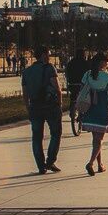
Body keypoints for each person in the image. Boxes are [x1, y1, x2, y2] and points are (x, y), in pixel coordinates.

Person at [22, 45, 63, 174]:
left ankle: (41, 166)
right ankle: (50, 161)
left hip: (35, 107)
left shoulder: (26, 72)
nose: (49, 56)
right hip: (50, 106)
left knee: (36, 137)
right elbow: (57, 88)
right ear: (44, 55)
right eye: (48, 54)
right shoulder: (49, 68)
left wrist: (28, 108)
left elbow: (25, 94)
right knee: (56, 134)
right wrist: (60, 103)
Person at [79, 52, 108, 175]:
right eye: (107, 61)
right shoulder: (107, 77)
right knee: (99, 139)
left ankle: (99, 164)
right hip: (101, 110)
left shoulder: (87, 75)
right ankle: (90, 163)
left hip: (89, 109)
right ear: (102, 62)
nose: (107, 64)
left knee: (95, 139)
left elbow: (81, 92)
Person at [65, 48, 89, 130]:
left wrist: (68, 80)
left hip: (72, 84)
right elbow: (89, 73)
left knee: (73, 97)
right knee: (84, 98)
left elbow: (67, 73)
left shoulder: (70, 63)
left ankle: (72, 110)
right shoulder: (85, 63)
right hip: (82, 85)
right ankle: (81, 115)